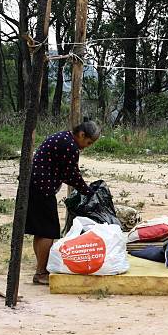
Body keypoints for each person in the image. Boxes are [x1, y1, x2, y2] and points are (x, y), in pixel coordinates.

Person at [25, 121, 101, 285]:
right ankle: (40, 273)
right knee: (48, 231)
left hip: (32, 187)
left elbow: (66, 173)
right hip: (42, 189)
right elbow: (71, 175)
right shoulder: (69, 146)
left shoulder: (62, 138)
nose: (86, 146)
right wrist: (88, 192)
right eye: (88, 142)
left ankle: (41, 268)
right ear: (81, 135)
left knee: (40, 230)